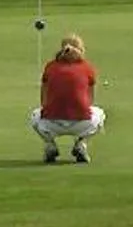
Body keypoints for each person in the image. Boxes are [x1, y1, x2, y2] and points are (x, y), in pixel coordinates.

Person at [32, 33, 103, 163]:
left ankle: (50, 145)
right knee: (100, 113)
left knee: (35, 115)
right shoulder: (87, 67)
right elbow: (90, 99)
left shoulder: (51, 66)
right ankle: (81, 143)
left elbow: (43, 97)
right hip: (82, 123)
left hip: (51, 124)